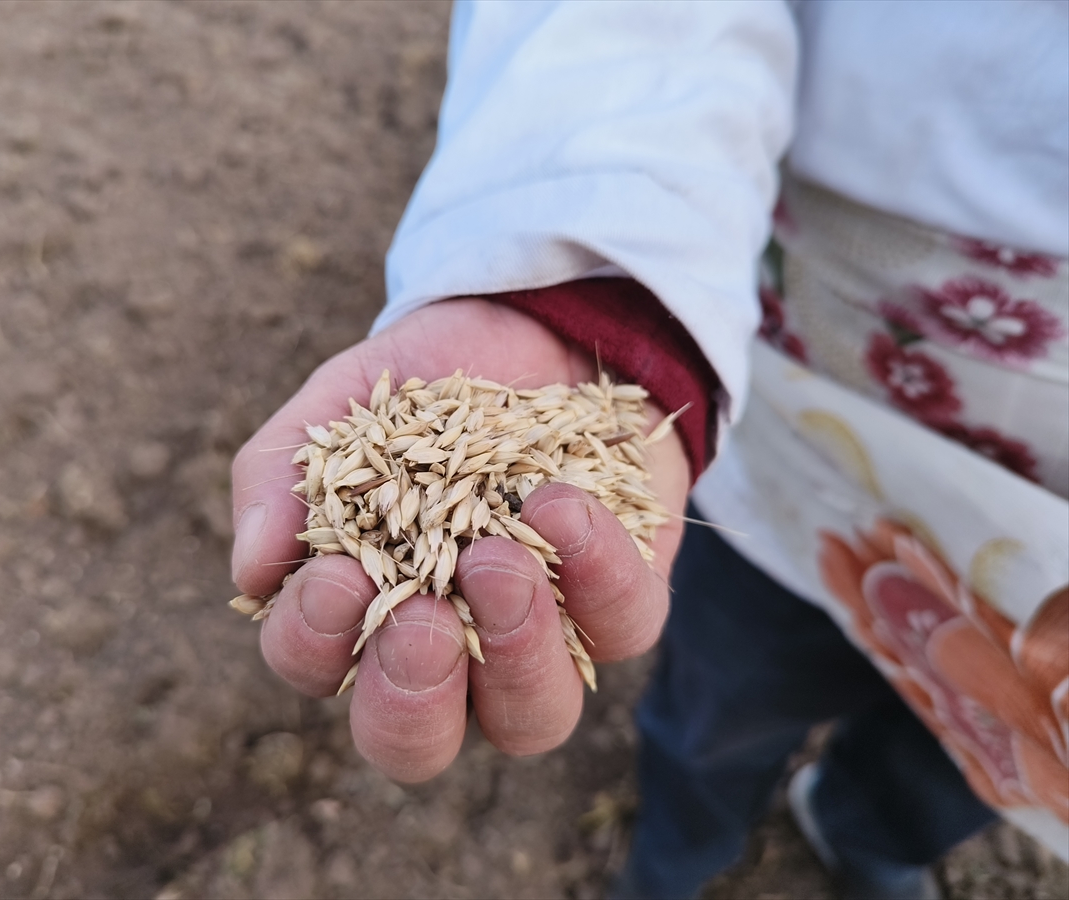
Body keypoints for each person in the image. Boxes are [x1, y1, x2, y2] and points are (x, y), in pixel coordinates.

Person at [231, 2, 1069, 898]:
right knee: (730, 693)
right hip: (809, 438)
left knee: (994, 741)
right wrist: (612, 295)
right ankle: (678, 854)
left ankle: (870, 835)